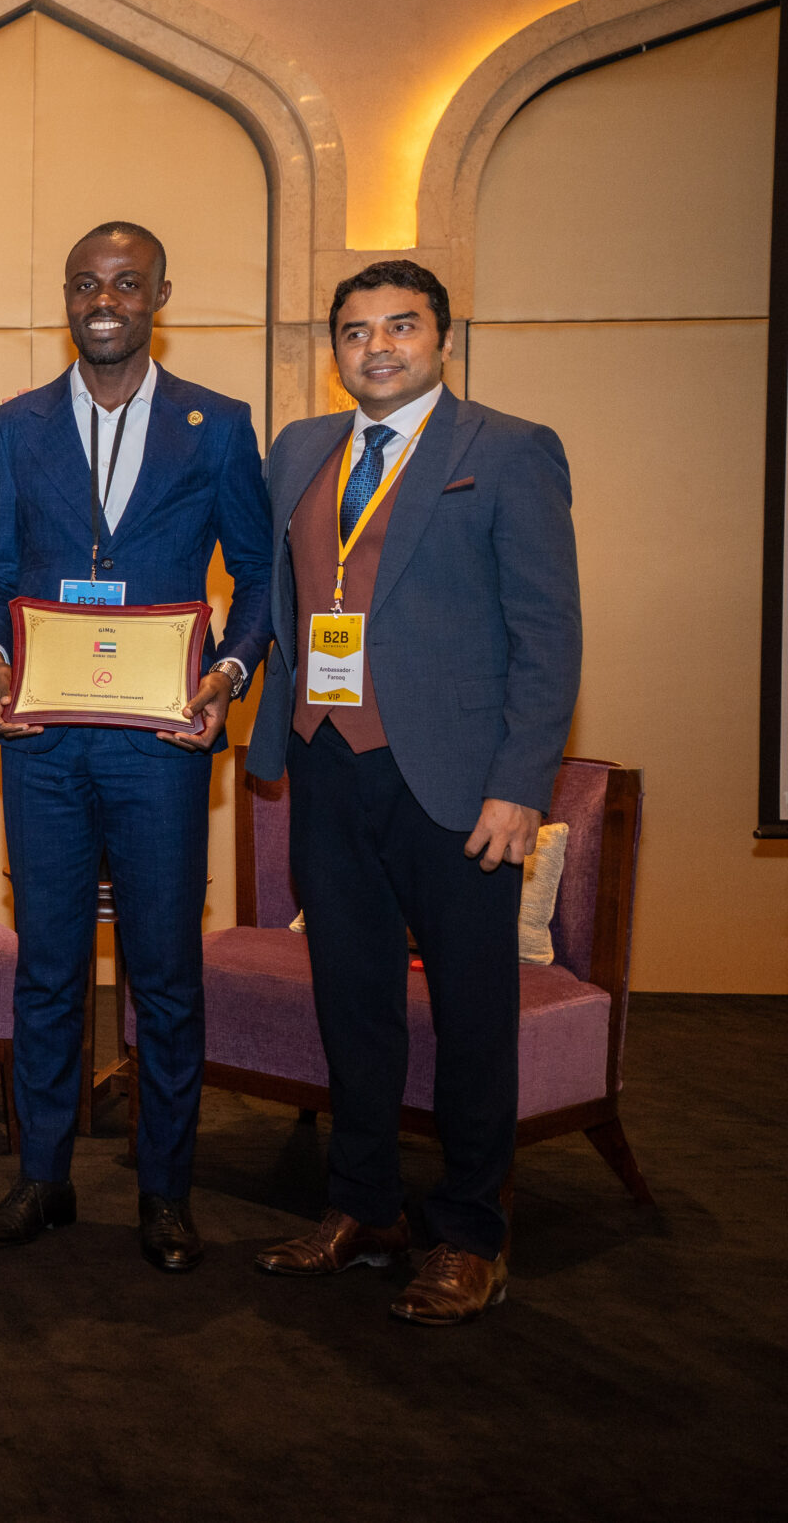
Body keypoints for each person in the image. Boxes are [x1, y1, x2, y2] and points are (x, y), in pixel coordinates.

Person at [246, 260, 578, 1325]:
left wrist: (519, 785)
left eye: (400, 326)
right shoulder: (300, 448)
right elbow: (273, 593)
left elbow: (547, 632)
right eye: (355, 331)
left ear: (442, 336)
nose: (377, 346)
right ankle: (364, 1205)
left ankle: (472, 1234)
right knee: (352, 1002)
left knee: (473, 1013)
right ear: (333, 348)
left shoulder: (510, 449)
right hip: (324, 763)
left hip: (457, 784)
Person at [0, 222, 271, 1271]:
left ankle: (164, 1191)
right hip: (44, 741)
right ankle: (42, 1177)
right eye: (86, 284)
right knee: (48, 969)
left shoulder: (217, 424)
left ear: (158, 297)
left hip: (161, 745)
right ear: (66, 297)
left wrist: (229, 672)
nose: (105, 300)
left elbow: (258, 575)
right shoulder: (14, 425)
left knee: (164, 973)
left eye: (126, 283)